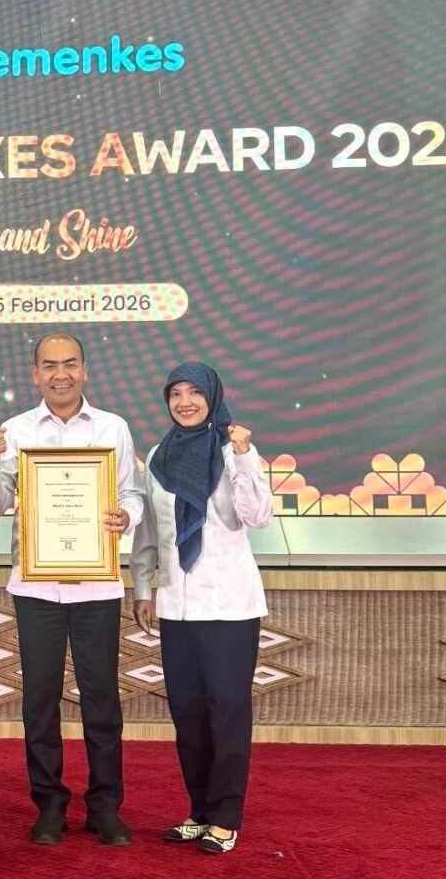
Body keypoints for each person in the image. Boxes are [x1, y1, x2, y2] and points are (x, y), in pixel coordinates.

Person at [0, 332, 143, 846]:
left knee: (102, 702)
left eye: (70, 364)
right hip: (36, 587)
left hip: (97, 585)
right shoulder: (15, 430)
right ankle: (49, 804)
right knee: (39, 701)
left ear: (85, 370)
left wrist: (126, 515)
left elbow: (132, 492)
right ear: (35, 374)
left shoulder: (113, 427)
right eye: (49, 365)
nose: (60, 374)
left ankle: (105, 807)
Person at [130, 362, 273, 854]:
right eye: (176, 394)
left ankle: (226, 817)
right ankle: (199, 811)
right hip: (177, 605)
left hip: (228, 605)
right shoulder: (159, 456)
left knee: (227, 712)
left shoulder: (234, 450)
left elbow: (258, 516)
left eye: (195, 392)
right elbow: (151, 529)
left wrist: (244, 456)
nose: (185, 402)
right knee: (187, 715)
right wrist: (143, 586)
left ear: (212, 396)